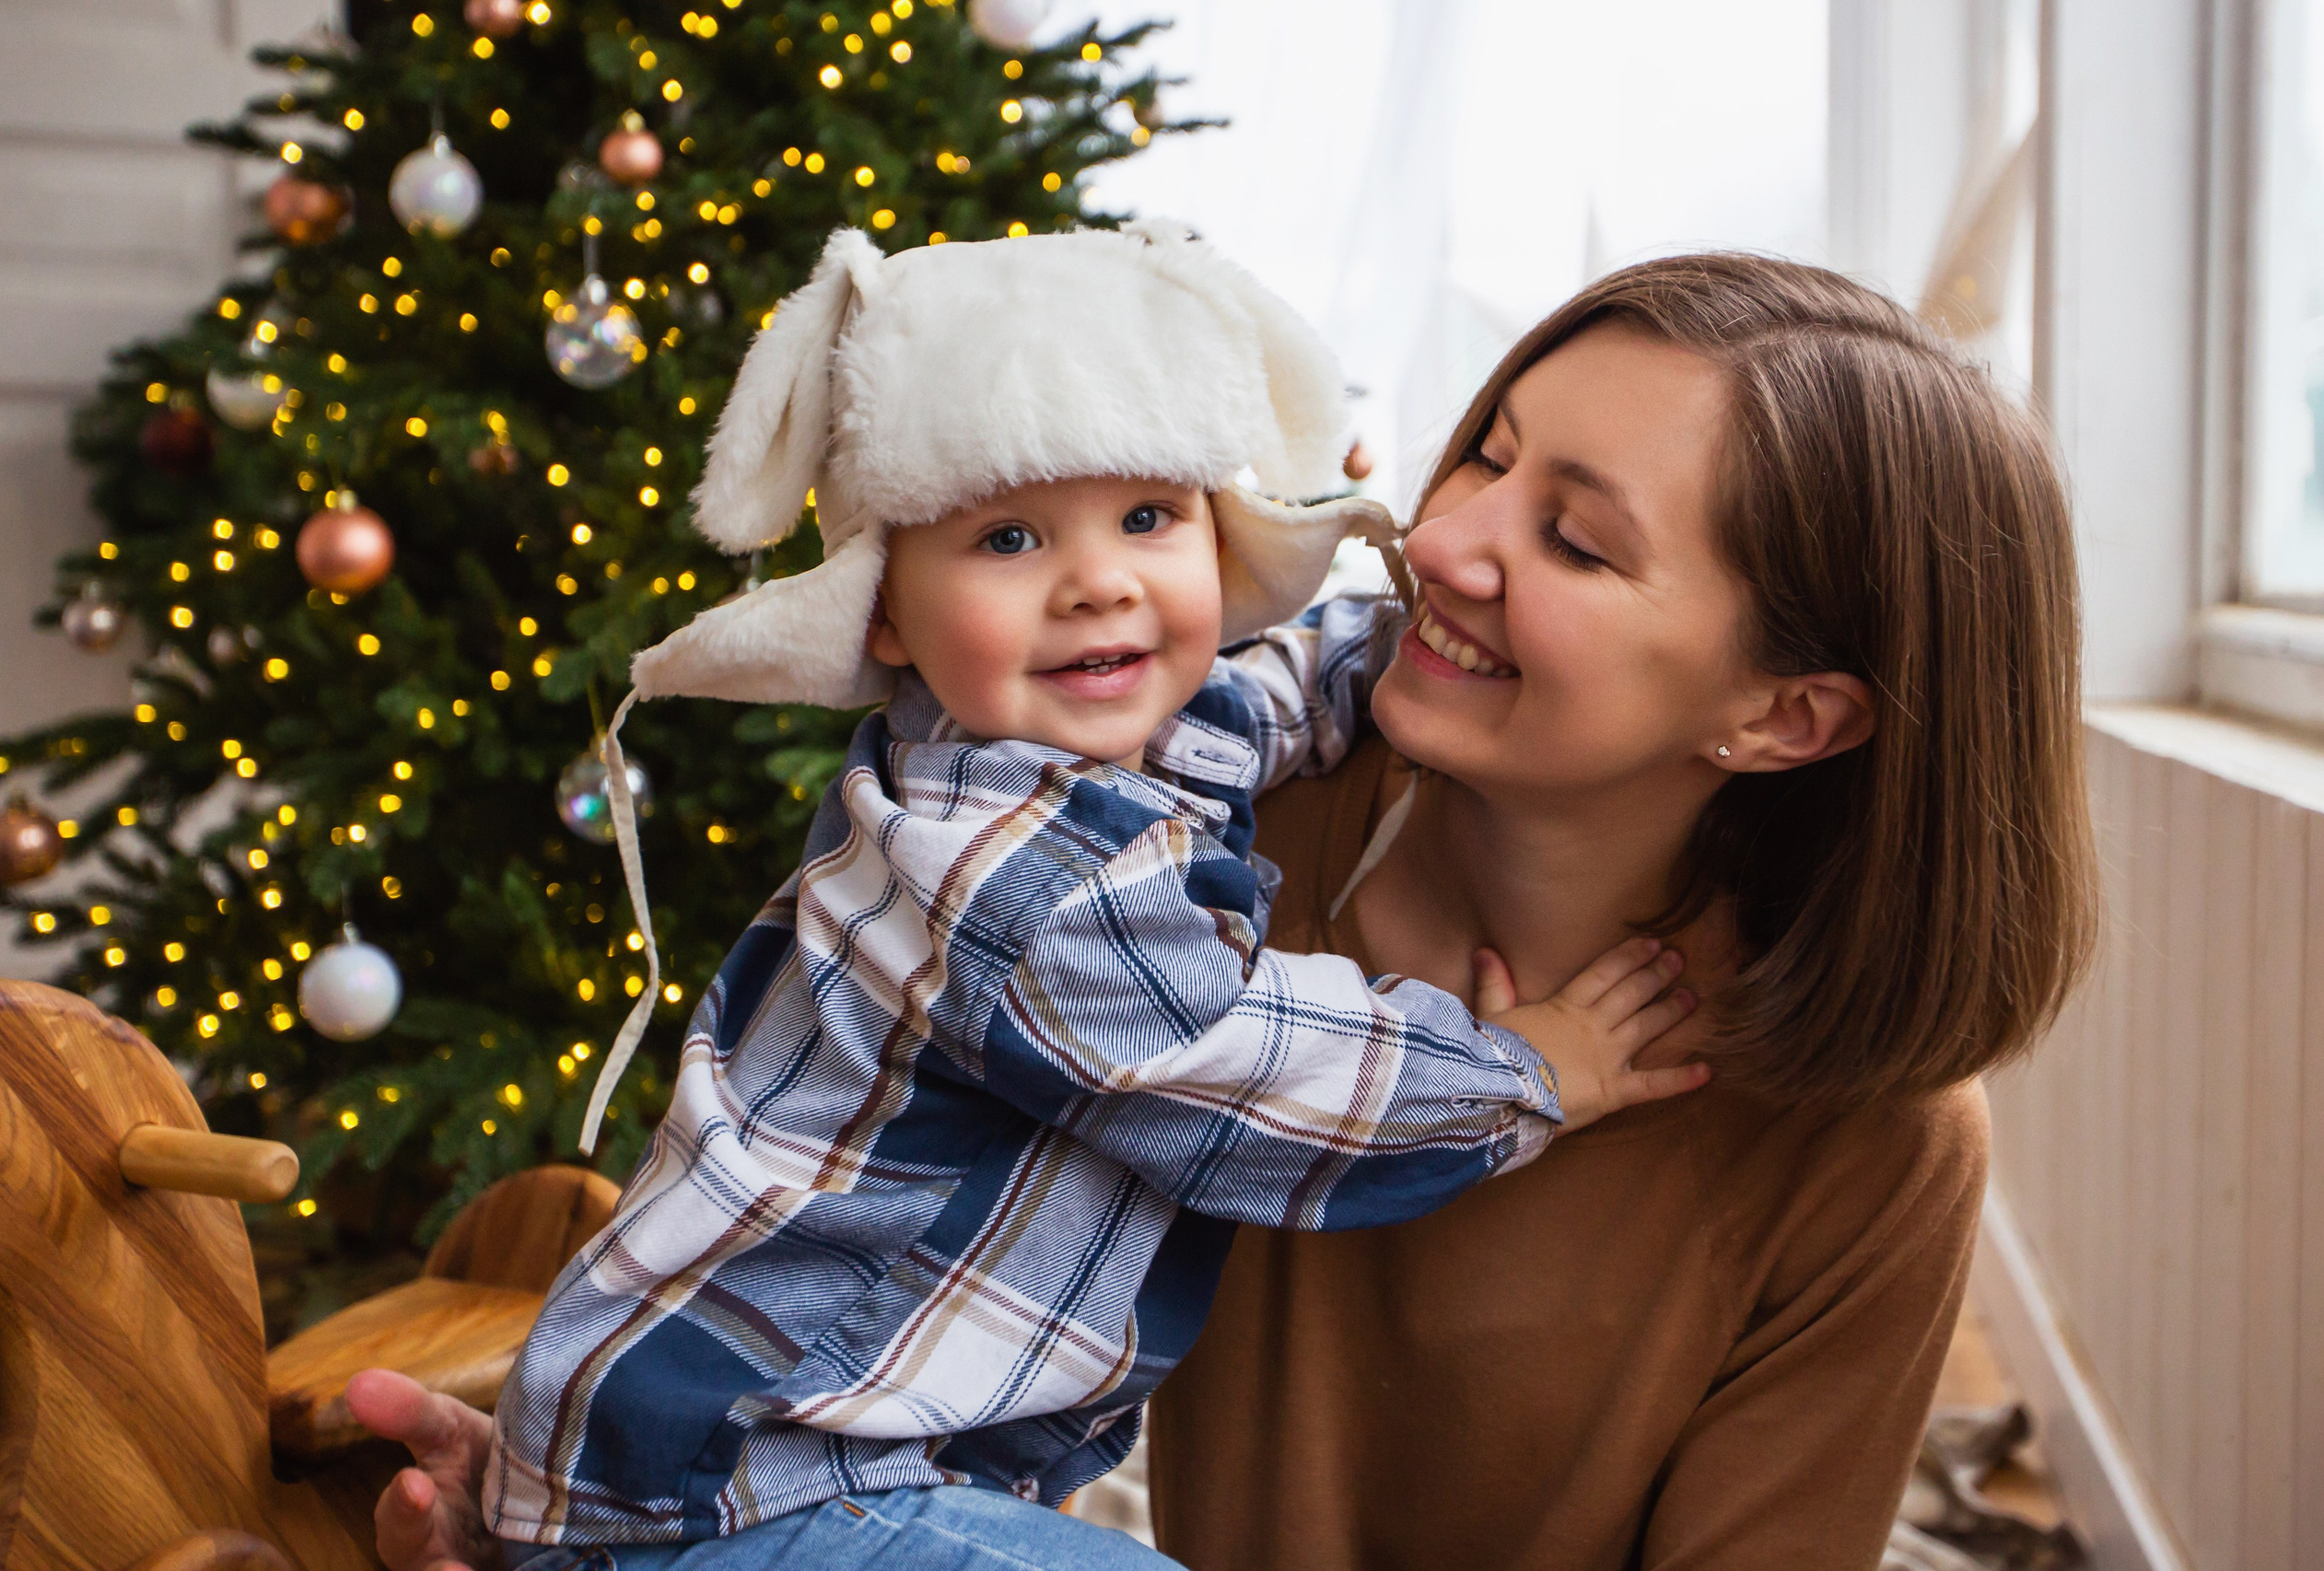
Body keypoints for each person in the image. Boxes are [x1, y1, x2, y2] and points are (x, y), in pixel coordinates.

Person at [352, 251, 2095, 1571]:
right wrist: (583, 1482)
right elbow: (827, 1200)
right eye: (1482, 454)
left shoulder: (1864, 1141)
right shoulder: (1143, 842)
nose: (1444, 538)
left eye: (1573, 539)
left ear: (1787, 715)